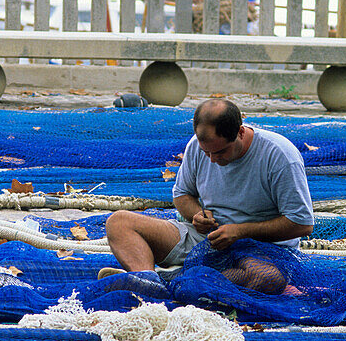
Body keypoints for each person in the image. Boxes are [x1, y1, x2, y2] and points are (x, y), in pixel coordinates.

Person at [100, 98, 314, 294]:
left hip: (263, 250)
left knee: (267, 279)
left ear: (240, 132)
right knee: (119, 222)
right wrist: (197, 215)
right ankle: (148, 280)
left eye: (220, 152)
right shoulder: (197, 145)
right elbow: (182, 195)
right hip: (207, 239)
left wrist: (240, 231)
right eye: (207, 153)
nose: (212, 160)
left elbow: (301, 224)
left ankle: (174, 282)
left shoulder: (280, 155)